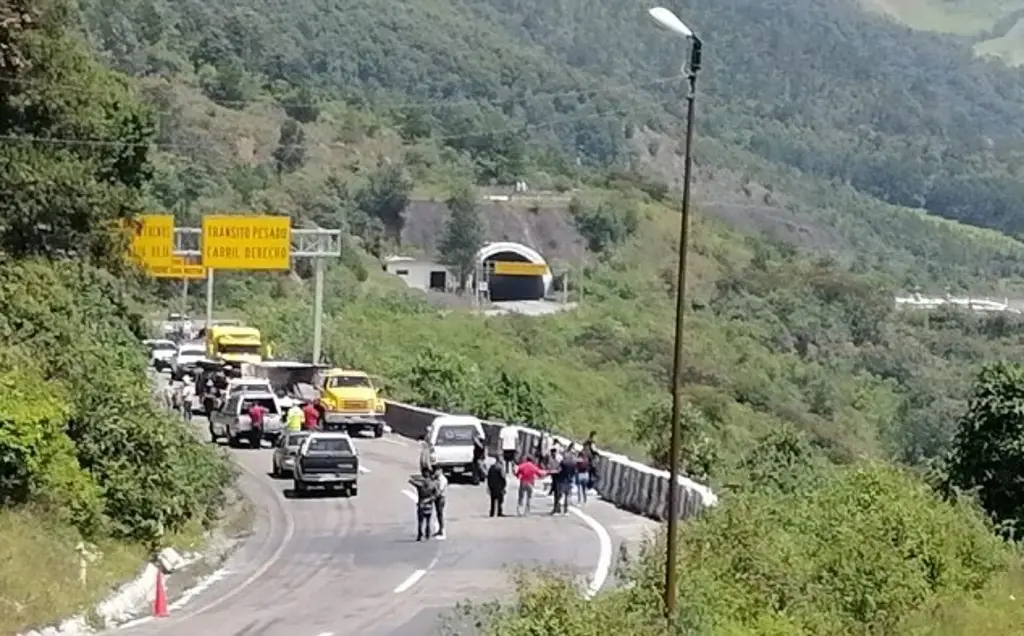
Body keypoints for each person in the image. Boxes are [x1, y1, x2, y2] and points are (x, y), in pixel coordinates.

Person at [410, 473, 438, 541]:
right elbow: (437, 493)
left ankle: (420, 535)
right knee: (428, 520)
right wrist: (431, 498)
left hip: (421, 504)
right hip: (429, 504)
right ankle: (427, 534)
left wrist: (417, 478)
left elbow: (411, 481)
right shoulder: (432, 485)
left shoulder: (420, 485)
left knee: (420, 521)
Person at [552, 448, 577, 515]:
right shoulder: (573, 463)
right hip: (569, 481)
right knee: (568, 496)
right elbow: (575, 472)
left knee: (559, 495)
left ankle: (557, 510)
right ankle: (566, 511)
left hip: (561, 480)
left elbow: (559, 470)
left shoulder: (563, 462)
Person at [433, 467, 448, 540]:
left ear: (440, 471)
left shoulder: (443, 480)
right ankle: (440, 529)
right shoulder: (436, 478)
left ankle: (442, 529)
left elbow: (440, 491)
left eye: (436, 471)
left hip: (440, 499)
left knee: (440, 514)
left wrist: (432, 497)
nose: (435, 472)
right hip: (437, 498)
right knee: (438, 514)